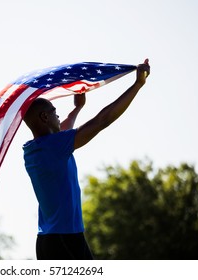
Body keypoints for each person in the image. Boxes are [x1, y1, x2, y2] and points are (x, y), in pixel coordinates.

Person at [22, 59, 151, 260]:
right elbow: (102, 120)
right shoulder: (55, 147)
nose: (58, 116)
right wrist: (137, 85)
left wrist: (77, 108)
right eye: (54, 112)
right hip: (64, 240)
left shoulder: (34, 150)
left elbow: (62, 130)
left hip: (51, 240)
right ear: (45, 118)